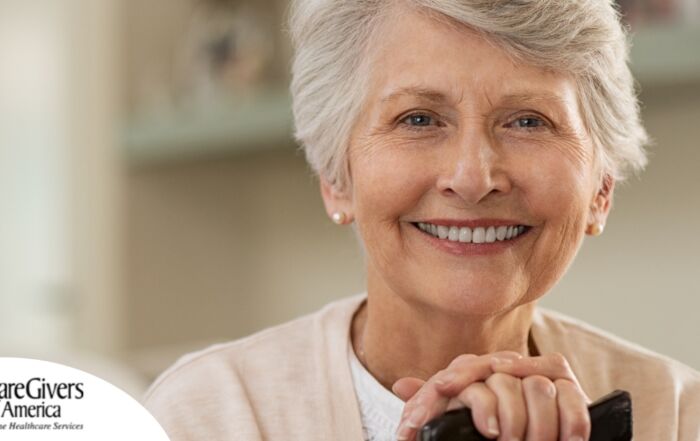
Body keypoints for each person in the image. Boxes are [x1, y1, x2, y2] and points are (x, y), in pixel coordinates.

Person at [143, 1, 700, 440]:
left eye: (529, 121)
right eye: (419, 118)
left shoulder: (677, 415)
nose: (473, 176)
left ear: (602, 189)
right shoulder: (203, 417)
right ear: (337, 177)